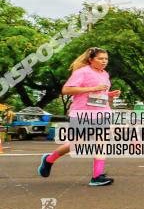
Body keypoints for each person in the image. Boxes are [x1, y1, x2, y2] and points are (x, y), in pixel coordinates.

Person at [37, 47, 120, 186]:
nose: (104, 61)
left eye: (106, 59)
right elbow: (66, 90)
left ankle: (97, 176)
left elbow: (99, 92)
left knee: (102, 141)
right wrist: (92, 89)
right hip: (82, 112)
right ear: (91, 59)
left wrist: (109, 94)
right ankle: (49, 159)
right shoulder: (82, 72)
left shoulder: (104, 74)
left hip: (102, 112)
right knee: (77, 144)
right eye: (100, 58)